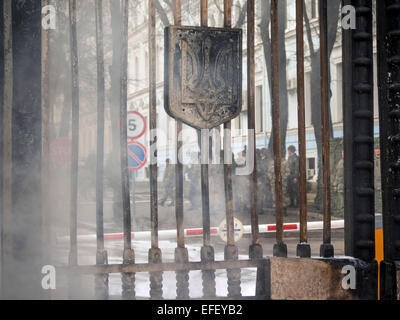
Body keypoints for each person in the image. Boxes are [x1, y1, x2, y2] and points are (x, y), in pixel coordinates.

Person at [332, 150, 344, 217]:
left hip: (344, 184)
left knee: (343, 199)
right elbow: (337, 174)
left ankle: (342, 212)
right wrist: (335, 184)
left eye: (344, 152)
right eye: (342, 152)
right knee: (341, 198)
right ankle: (341, 212)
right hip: (340, 184)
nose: (342, 154)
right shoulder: (340, 162)